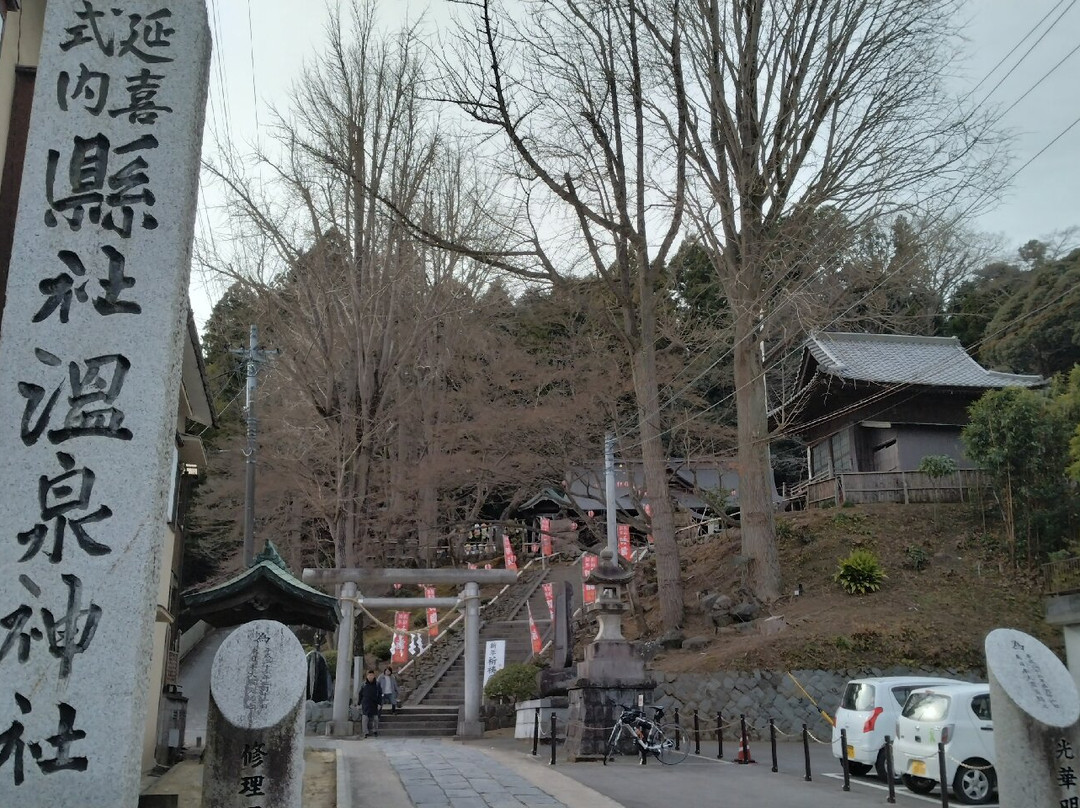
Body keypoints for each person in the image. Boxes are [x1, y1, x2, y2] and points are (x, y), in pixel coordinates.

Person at [358, 669, 382, 737]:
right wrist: (359, 703)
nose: (370, 676)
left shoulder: (377, 684)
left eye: (371, 675)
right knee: (365, 718)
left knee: (376, 718)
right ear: (367, 676)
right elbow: (360, 694)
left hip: (374, 703)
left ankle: (375, 730)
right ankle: (365, 732)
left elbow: (380, 694)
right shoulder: (364, 684)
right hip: (366, 703)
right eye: (369, 675)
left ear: (374, 676)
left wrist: (379, 703)